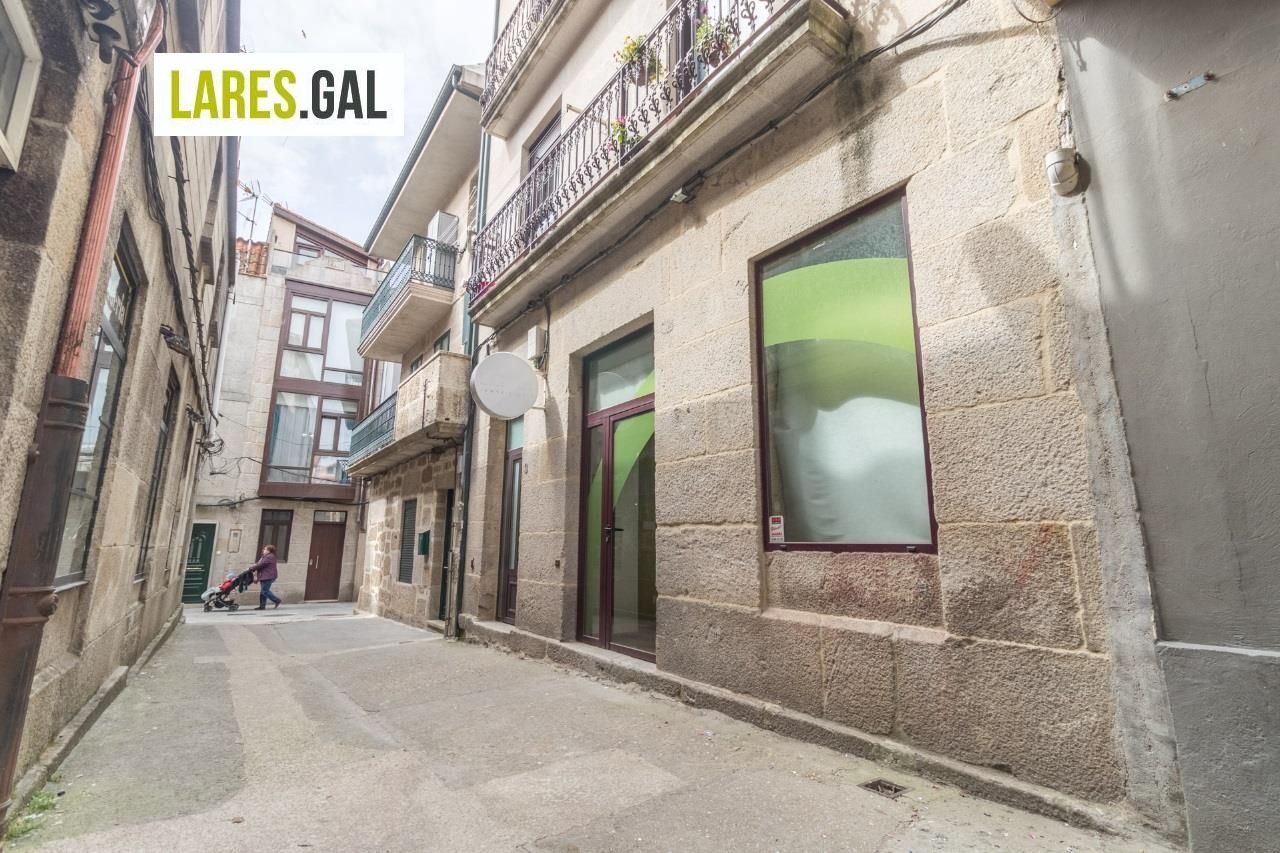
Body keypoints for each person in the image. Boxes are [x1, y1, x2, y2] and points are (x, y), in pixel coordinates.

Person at [250, 544, 282, 610]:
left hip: (267, 576)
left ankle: (277, 600)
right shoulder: (267, 556)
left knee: (265, 591)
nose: (263, 550)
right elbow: (260, 564)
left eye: (265, 549)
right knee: (263, 591)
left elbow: (261, 565)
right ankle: (262, 606)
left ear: (269, 550)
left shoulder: (269, 557)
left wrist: (251, 568)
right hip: (265, 576)